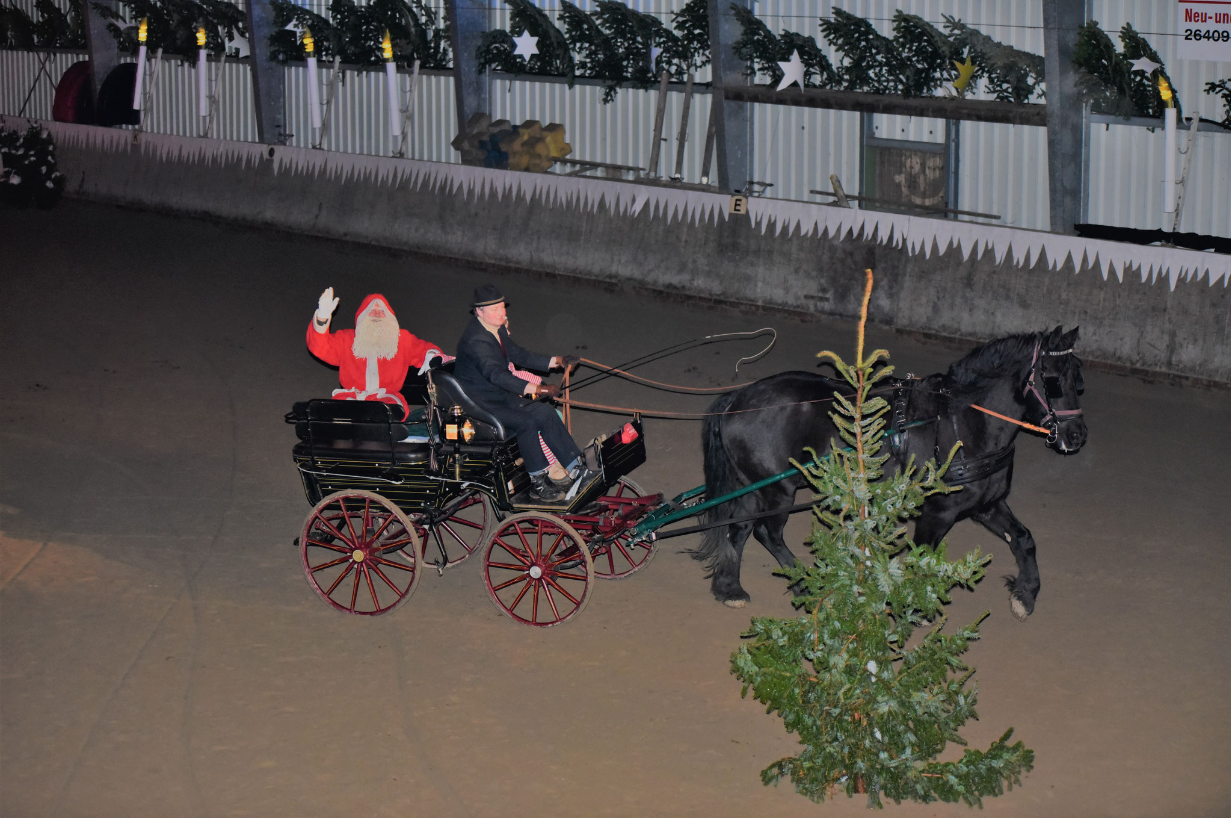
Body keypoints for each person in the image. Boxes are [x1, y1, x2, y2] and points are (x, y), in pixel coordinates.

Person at [454, 284, 592, 502]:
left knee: (545, 413)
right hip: (479, 404)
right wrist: (538, 389)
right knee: (525, 421)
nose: (502, 313)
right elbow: (496, 375)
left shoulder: (496, 329)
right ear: (479, 312)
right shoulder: (476, 341)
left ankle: (576, 468)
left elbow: (519, 355)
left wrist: (557, 361)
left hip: (499, 396)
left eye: (502, 307)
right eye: (495, 309)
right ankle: (537, 481)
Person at [307, 288, 448, 421]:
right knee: (332, 413)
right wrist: (322, 318)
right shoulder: (347, 339)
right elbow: (320, 346)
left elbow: (423, 349)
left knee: (391, 412)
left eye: (381, 311)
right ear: (362, 317)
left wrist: (432, 356)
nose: (376, 315)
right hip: (351, 397)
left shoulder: (402, 340)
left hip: (386, 399)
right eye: (371, 311)